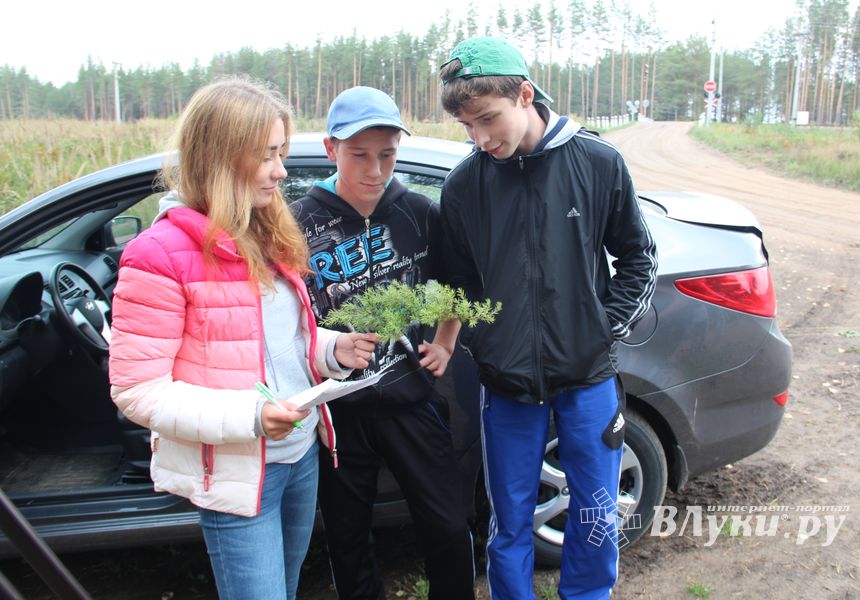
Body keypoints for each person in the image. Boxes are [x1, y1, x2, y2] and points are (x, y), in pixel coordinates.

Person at [108, 77, 378, 600]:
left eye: (281, 152)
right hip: (238, 476)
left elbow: (267, 341)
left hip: (300, 456)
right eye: (267, 155)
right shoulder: (157, 255)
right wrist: (251, 417)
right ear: (220, 157)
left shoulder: (264, 230)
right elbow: (137, 390)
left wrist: (328, 350)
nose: (281, 170)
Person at [437, 38, 658, 600]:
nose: (481, 139)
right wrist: (484, 344)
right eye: (468, 127)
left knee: (595, 512)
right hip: (506, 384)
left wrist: (601, 329)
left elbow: (639, 256)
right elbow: (455, 282)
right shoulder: (466, 184)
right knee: (509, 520)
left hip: (588, 379)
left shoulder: (598, 162)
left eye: (488, 119)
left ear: (525, 95)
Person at [288, 86, 475, 600]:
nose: (375, 170)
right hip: (337, 412)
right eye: (359, 156)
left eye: (387, 155)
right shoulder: (298, 224)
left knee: (446, 523)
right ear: (331, 150)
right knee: (347, 536)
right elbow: (281, 315)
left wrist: (445, 341)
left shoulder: (416, 212)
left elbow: (460, 282)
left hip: (411, 400)